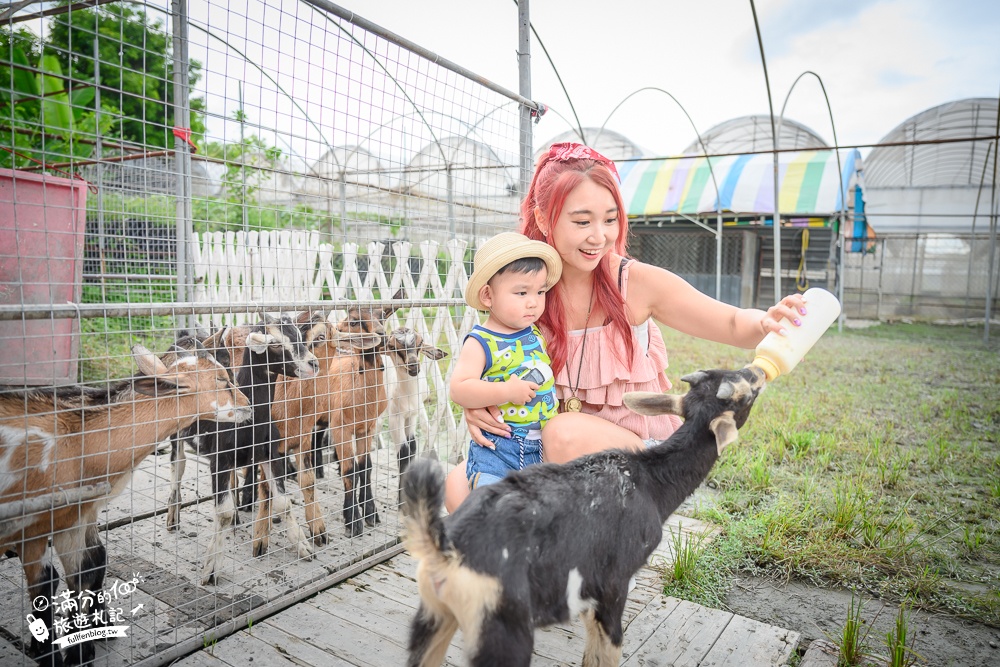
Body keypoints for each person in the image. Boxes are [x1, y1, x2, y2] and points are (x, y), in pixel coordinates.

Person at [445, 142, 808, 512]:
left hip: (641, 463)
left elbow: (731, 322)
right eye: (582, 221)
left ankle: (602, 558)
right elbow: (489, 362)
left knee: (564, 433)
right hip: (550, 451)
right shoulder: (529, 293)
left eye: (610, 218)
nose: (599, 235)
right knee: (459, 485)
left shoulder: (634, 283)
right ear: (542, 219)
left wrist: (764, 321)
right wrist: (479, 404)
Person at [450, 232, 562, 489]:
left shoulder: (534, 332)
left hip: (541, 446)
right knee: (492, 503)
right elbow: (459, 388)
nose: (533, 302)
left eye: (541, 291)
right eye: (521, 293)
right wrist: (506, 391)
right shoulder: (481, 341)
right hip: (498, 447)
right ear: (488, 296)